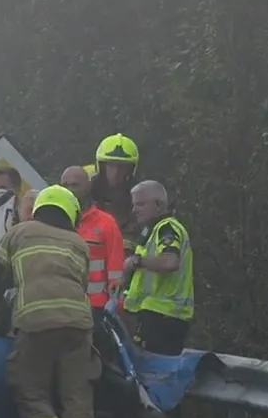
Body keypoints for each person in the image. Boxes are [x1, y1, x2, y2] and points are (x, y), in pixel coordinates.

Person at [0, 185, 98, 418]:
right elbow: (81, 284)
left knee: (29, 388)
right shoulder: (79, 243)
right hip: (79, 326)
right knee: (76, 393)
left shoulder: (18, 233)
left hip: (37, 324)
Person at [121, 179, 194, 355]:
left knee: (155, 373)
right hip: (153, 316)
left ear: (159, 205)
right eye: (134, 204)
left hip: (164, 317)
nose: (134, 209)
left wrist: (136, 261)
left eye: (140, 204)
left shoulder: (167, 229)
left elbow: (170, 262)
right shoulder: (151, 231)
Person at [59, 166, 126, 315]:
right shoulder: (55, 221)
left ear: (88, 187)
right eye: (65, 185)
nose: (70, 190)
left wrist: (116, 306)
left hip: (95, 307)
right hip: (61, 304)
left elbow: (116, 270)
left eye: (75, 185)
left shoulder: (106, 223)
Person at [86, 134, 142, 246]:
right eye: (111, 166)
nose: (116, 173)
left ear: (130, 170)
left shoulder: (140, 199)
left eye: (121, 167)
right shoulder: (86, 193)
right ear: (101, 166)